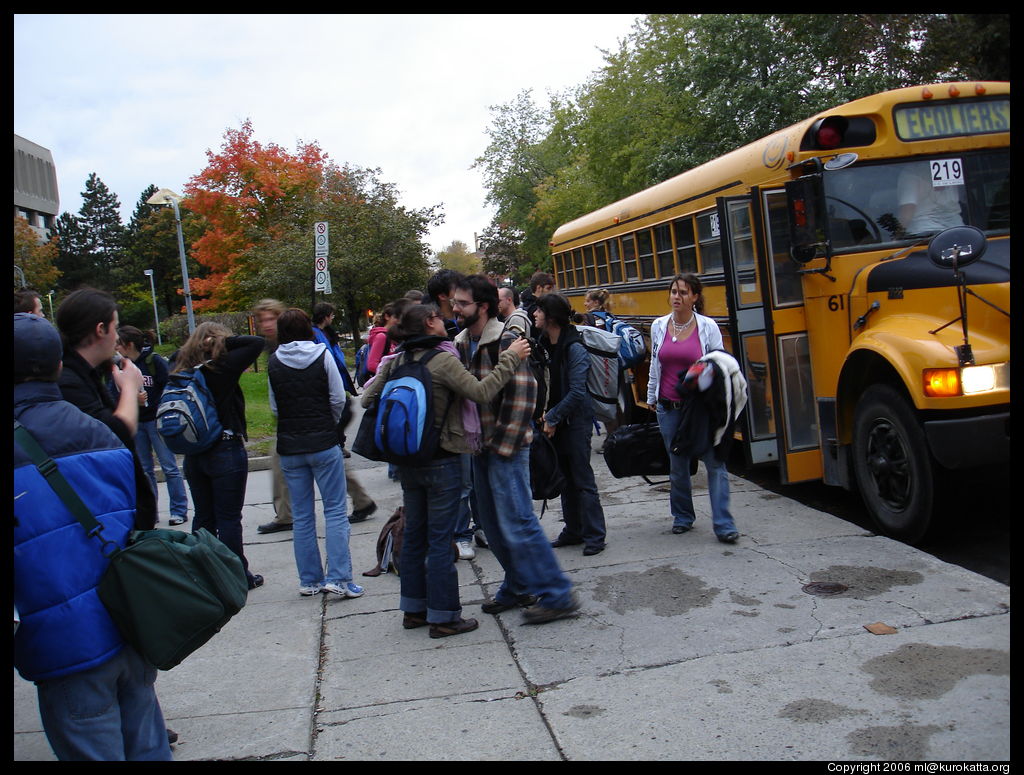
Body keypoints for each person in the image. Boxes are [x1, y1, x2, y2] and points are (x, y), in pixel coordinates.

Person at [14, 313, 173, 761]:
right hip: (128, 621)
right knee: (147, 745)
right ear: (58, 367)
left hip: (64, 643)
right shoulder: (102, 433)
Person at [361, 303, 531, 638]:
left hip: (409, 461)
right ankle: (444, 616)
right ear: (429, 323)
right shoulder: (442, 360)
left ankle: (414, 609)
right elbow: (482, 391)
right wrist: (511, 357)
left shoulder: (399, 360)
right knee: (440, 540)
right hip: (443, 460)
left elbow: (367, 399)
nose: (445, 320)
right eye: (439, 317)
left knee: (414, 536)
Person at [453, 275, 579, 624]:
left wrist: (500, 448)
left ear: (482, 305)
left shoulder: (506, 338)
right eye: (454, 302)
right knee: (493, 525)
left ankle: (557, 594)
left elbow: (523, 397)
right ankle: (517, 583)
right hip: (480, 448)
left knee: (520, 521)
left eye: (462, 303)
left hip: (505, 448)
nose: (455, 308)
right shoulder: (463, 341)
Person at [268, 309, 364, 599]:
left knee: (302, 514)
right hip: (322, 441)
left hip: (290, 445)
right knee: (335, 510)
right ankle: (340, 578)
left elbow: (275, 406)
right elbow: (337, 398)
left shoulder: (274, 361)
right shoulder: (322, 355)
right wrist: (329, 423)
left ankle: (309, 579)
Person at [647, 273, 740, 543]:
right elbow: (656, 362)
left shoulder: (707, 326)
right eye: (674, 291)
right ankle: (683, 517)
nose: (677, 297)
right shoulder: (659, 325)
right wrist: (651, 396)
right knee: (677, 465)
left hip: (700, 408)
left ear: (695, 297)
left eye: (684, 293)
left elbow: (719, 363)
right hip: (668, 406)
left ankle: (724, 524)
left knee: (715, 462)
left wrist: (697, 378)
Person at [173, 322, 267, 588]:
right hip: (225, 448)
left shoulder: (181, 368)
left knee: (203, 516)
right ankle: (236, 575)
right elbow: (256, 343)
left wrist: (198, 343)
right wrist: (223, 341)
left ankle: (201, 573)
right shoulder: (221, 368)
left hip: (195, 453)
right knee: (228, 518)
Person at [55, 288, 157, 528]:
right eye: (116, 328)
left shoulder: (84, 373)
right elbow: (115, 432)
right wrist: (131, 389)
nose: (117, 340)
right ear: (101, 329)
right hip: (102, 519)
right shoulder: (68, 380)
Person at [535, 292, 608, 556]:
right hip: (555, 420)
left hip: (575, 421)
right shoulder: (543, 343)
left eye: (539, 311)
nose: (534, 314)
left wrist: (553, 417)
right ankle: (574, 530)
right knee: (565, 478)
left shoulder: (574, 347)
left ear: (551, 317)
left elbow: (578, 392)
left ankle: (595, 535)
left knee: (582, 478)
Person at [115, 325, 189, 526]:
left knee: (169, 466)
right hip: (137, 422)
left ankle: (179, 510)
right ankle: (151, 512)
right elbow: (113, 392)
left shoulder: (153, 361)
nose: (116, 348)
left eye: (119, 344)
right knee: (145, 470)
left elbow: (169, 386)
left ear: (129, 345)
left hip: (156, 421)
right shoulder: (120, 365)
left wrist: (156, 405)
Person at [312, 302, 376, 522]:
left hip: (328, 402)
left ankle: (361, 501)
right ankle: (361, 500)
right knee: (329, 457)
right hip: (332, 399)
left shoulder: (321, 336)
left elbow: (332, 363)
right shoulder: (322, 335)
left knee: (328, 458)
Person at [254, 299, 295, 536]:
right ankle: (284, 514)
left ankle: (285, 515)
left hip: (299, 414)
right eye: (263, 320)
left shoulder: (290, 341)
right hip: (288, 416)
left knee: (324, 462)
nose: (267, 324)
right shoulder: (271, 346)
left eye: (272, 318)